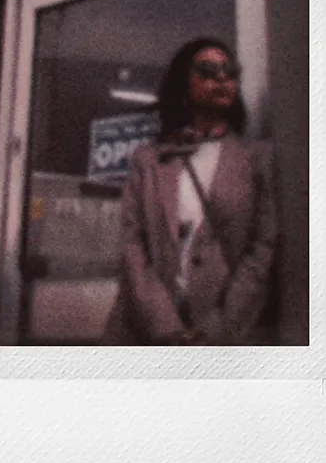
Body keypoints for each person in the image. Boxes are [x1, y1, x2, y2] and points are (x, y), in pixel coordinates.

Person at [102, 37, 279, 346]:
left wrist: (219, 327)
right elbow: (132, 244)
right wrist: (164, 325)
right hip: (145, 331)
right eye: (207, 70)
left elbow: (263, 247)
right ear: (183, 85)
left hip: (221, 334)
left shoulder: (256, 159)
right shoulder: (149, 160)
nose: (221, 78)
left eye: (229, 71)